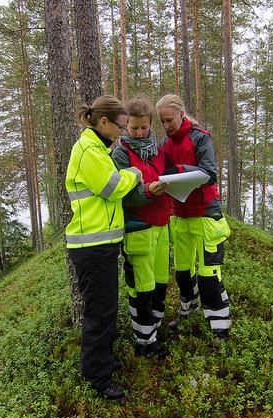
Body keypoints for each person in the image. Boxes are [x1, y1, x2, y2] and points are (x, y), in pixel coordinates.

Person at [65, 95, 141, 400]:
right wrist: (133, 175)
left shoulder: (97, 148)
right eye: (120, 126)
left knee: (105, 309)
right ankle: (98, 379)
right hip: (92, 247)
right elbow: (112, 188)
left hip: (101, 244)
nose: (123, 132)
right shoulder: (88, 150)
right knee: (100, 312)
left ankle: (100, 364)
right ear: (104, 122)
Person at [156, 93, 232, 340]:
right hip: (179, 215)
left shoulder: (200, 138)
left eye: (169, 120)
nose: (166, 126)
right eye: (162, 122)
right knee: (183, 273)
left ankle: (219, 327)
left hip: (206, 215)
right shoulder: (165, 146)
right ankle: (188, 310)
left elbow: (210, 173)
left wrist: (179, 172)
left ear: (181, 113)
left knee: (209, 275)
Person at [111, 96, 170, 358]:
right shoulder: (121, 154)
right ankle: (145, 343)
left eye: (144, 127)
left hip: (161, 226)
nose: (139, 132)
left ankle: (152, 331)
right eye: (133, 128)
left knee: (159, 284)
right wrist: (148, 191)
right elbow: (124, 195)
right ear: (126, 126)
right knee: (142, 288)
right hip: (137, 229)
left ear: (150, 124)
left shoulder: (158, 149)